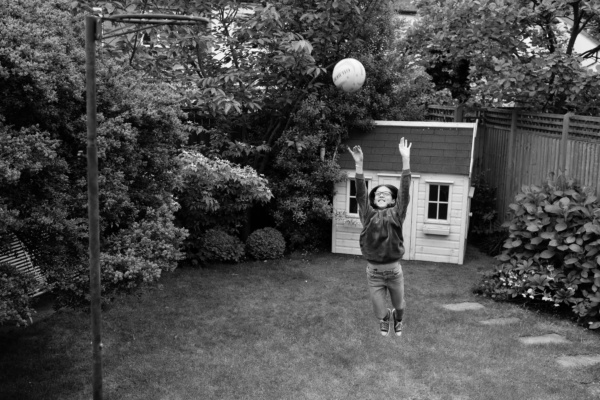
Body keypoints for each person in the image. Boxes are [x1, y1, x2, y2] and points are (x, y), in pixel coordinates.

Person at [347, 138, 411, 337]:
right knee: (378, 310)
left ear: (393, 200)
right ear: (373, 200)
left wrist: (405, 160)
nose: (381, 195)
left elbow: (405, 192)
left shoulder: (397, 214)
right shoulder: (368, 214)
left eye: (386, 194)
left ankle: (398, 319)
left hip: (394, 271)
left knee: (399, 305)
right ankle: (385, 319)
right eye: (377, 194)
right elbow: (360, 194)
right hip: (373, 273)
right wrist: (359, 164)